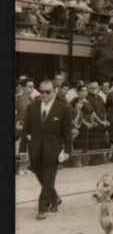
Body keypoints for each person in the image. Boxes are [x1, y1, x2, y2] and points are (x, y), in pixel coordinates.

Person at [21, 80, 72, 220]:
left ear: (54, 91)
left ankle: (42, 208)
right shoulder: (32, 107)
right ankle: (54, 198)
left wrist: (67, 150)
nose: (44, 94)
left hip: (53, 150)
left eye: (47, 92)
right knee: (41, 176)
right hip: (35, 149)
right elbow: (26, 129)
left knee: (48, 178)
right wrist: (22, 149)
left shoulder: (63, 108)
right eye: (41, 91)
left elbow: (67, 132)